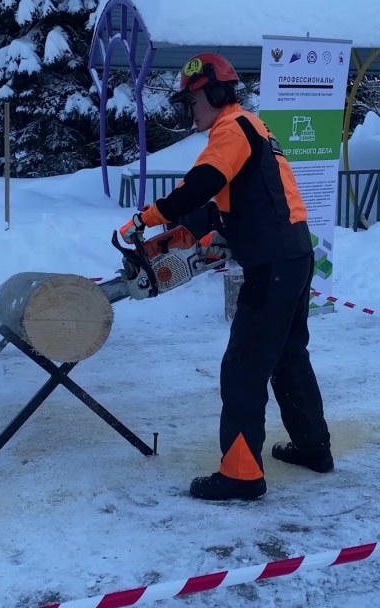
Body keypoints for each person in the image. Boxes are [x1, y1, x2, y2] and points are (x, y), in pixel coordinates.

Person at [118, 53, 333, 501]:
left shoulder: (231, 129)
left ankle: (241, 474)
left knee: (243, 366)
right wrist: (179, 234)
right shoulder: (252, 128)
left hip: (271, 264)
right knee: (289, 356)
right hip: (292, 256)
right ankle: (314, 447)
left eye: (191, 100)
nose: (187, 110)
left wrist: (148, 219)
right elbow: (224, 203)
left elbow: (202, 183)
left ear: (214, 93)